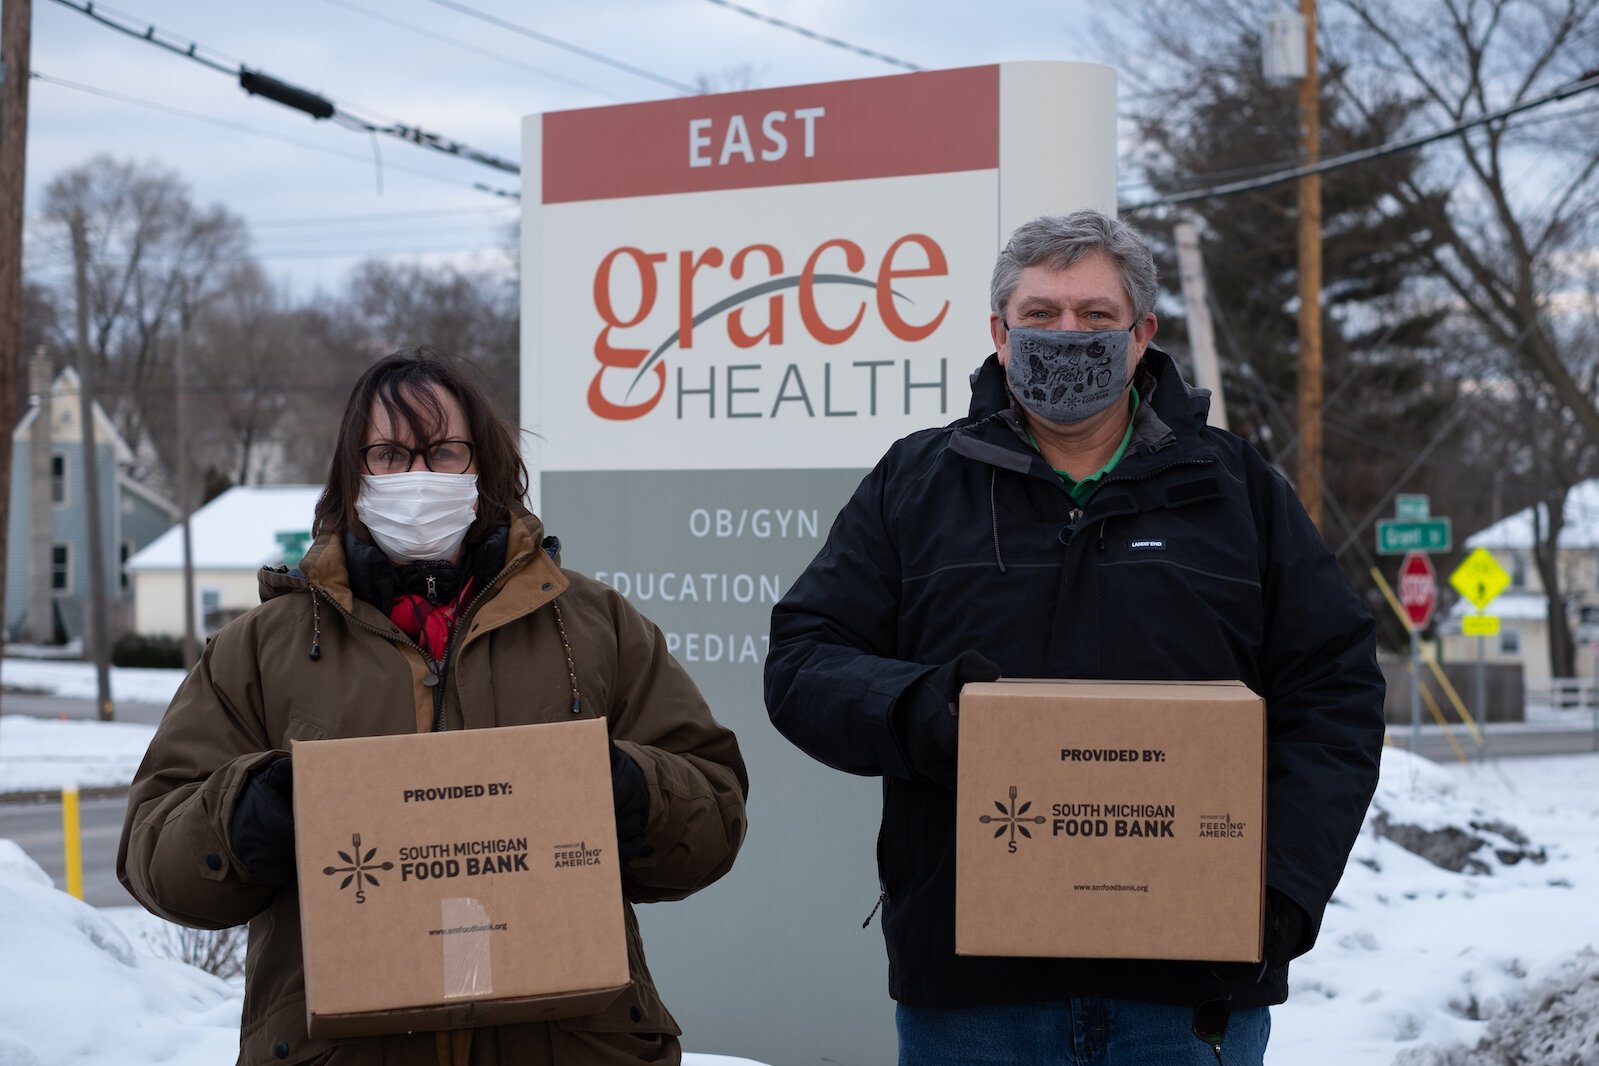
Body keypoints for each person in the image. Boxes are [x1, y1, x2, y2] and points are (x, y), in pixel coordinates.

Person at [764, 211, 1384, 1065]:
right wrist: (920, 710)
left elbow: (1334, 695)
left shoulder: (1236, 491)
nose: (1067, 335)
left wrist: (1281, 888)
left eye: (1095, 317)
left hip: (1189, 993)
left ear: (1140, 337)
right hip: (972, 996)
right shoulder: (916, 482)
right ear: (998, 333)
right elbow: (802, 661)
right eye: (1040, 314)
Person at [119, 348, 748, 1066]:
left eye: (444, 451)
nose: (418, 477)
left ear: (483, 466)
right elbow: (153, 853)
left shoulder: (594, 624)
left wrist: (625, 790)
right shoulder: (261, 648)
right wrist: (245, 816)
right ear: (352, 476)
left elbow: (716, 812)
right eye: (388, 454)